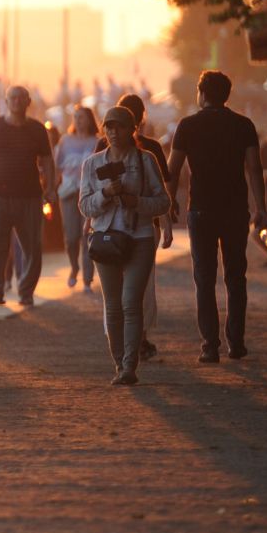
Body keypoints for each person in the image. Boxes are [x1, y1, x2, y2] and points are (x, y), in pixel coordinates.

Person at [167, 69, 266, 364]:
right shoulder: (244, 125)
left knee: (204, 278)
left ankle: (210, 345)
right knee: (236, 278)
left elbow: (172, 170)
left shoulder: (187, 126)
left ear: (202, 93)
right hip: (236, 210)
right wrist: (262, 208)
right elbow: (255, 169)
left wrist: (169, 201)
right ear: (226, 95)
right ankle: (236, 343)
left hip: (201, 211)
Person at [80, 105, 171, 385]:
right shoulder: (93, 164)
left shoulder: (146, 161)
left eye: (119, 126)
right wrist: (105, 193)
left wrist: (136, 203)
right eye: (108, 126)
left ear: (132, 129)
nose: (113, 132)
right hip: (106, 238)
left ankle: (130, 365)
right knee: (113, 305)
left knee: (131, 302)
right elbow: (84, 206)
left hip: (139, 237)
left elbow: (163, 201)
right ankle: (119, 362)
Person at [0, 85, 54, 306]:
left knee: (32, 247)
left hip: (29, 196)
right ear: (6, 101)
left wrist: (50, 188)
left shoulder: (37, 129)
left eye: (21, 98)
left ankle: (26, 291)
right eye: (13, 98)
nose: (17, 102)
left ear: (29, 102)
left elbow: (47, 160)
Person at [56, 106, 101, 291]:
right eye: (75, 117)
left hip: (89, 194)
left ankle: (87, 278)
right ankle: (74, 267)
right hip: (68, 193)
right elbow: (57, 166)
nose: (78, 120)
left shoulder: (97, 142)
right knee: (71, 236)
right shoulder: (65, 141)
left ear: (90, 119)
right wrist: (52, 188)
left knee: (87, 235)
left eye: (81, 117)